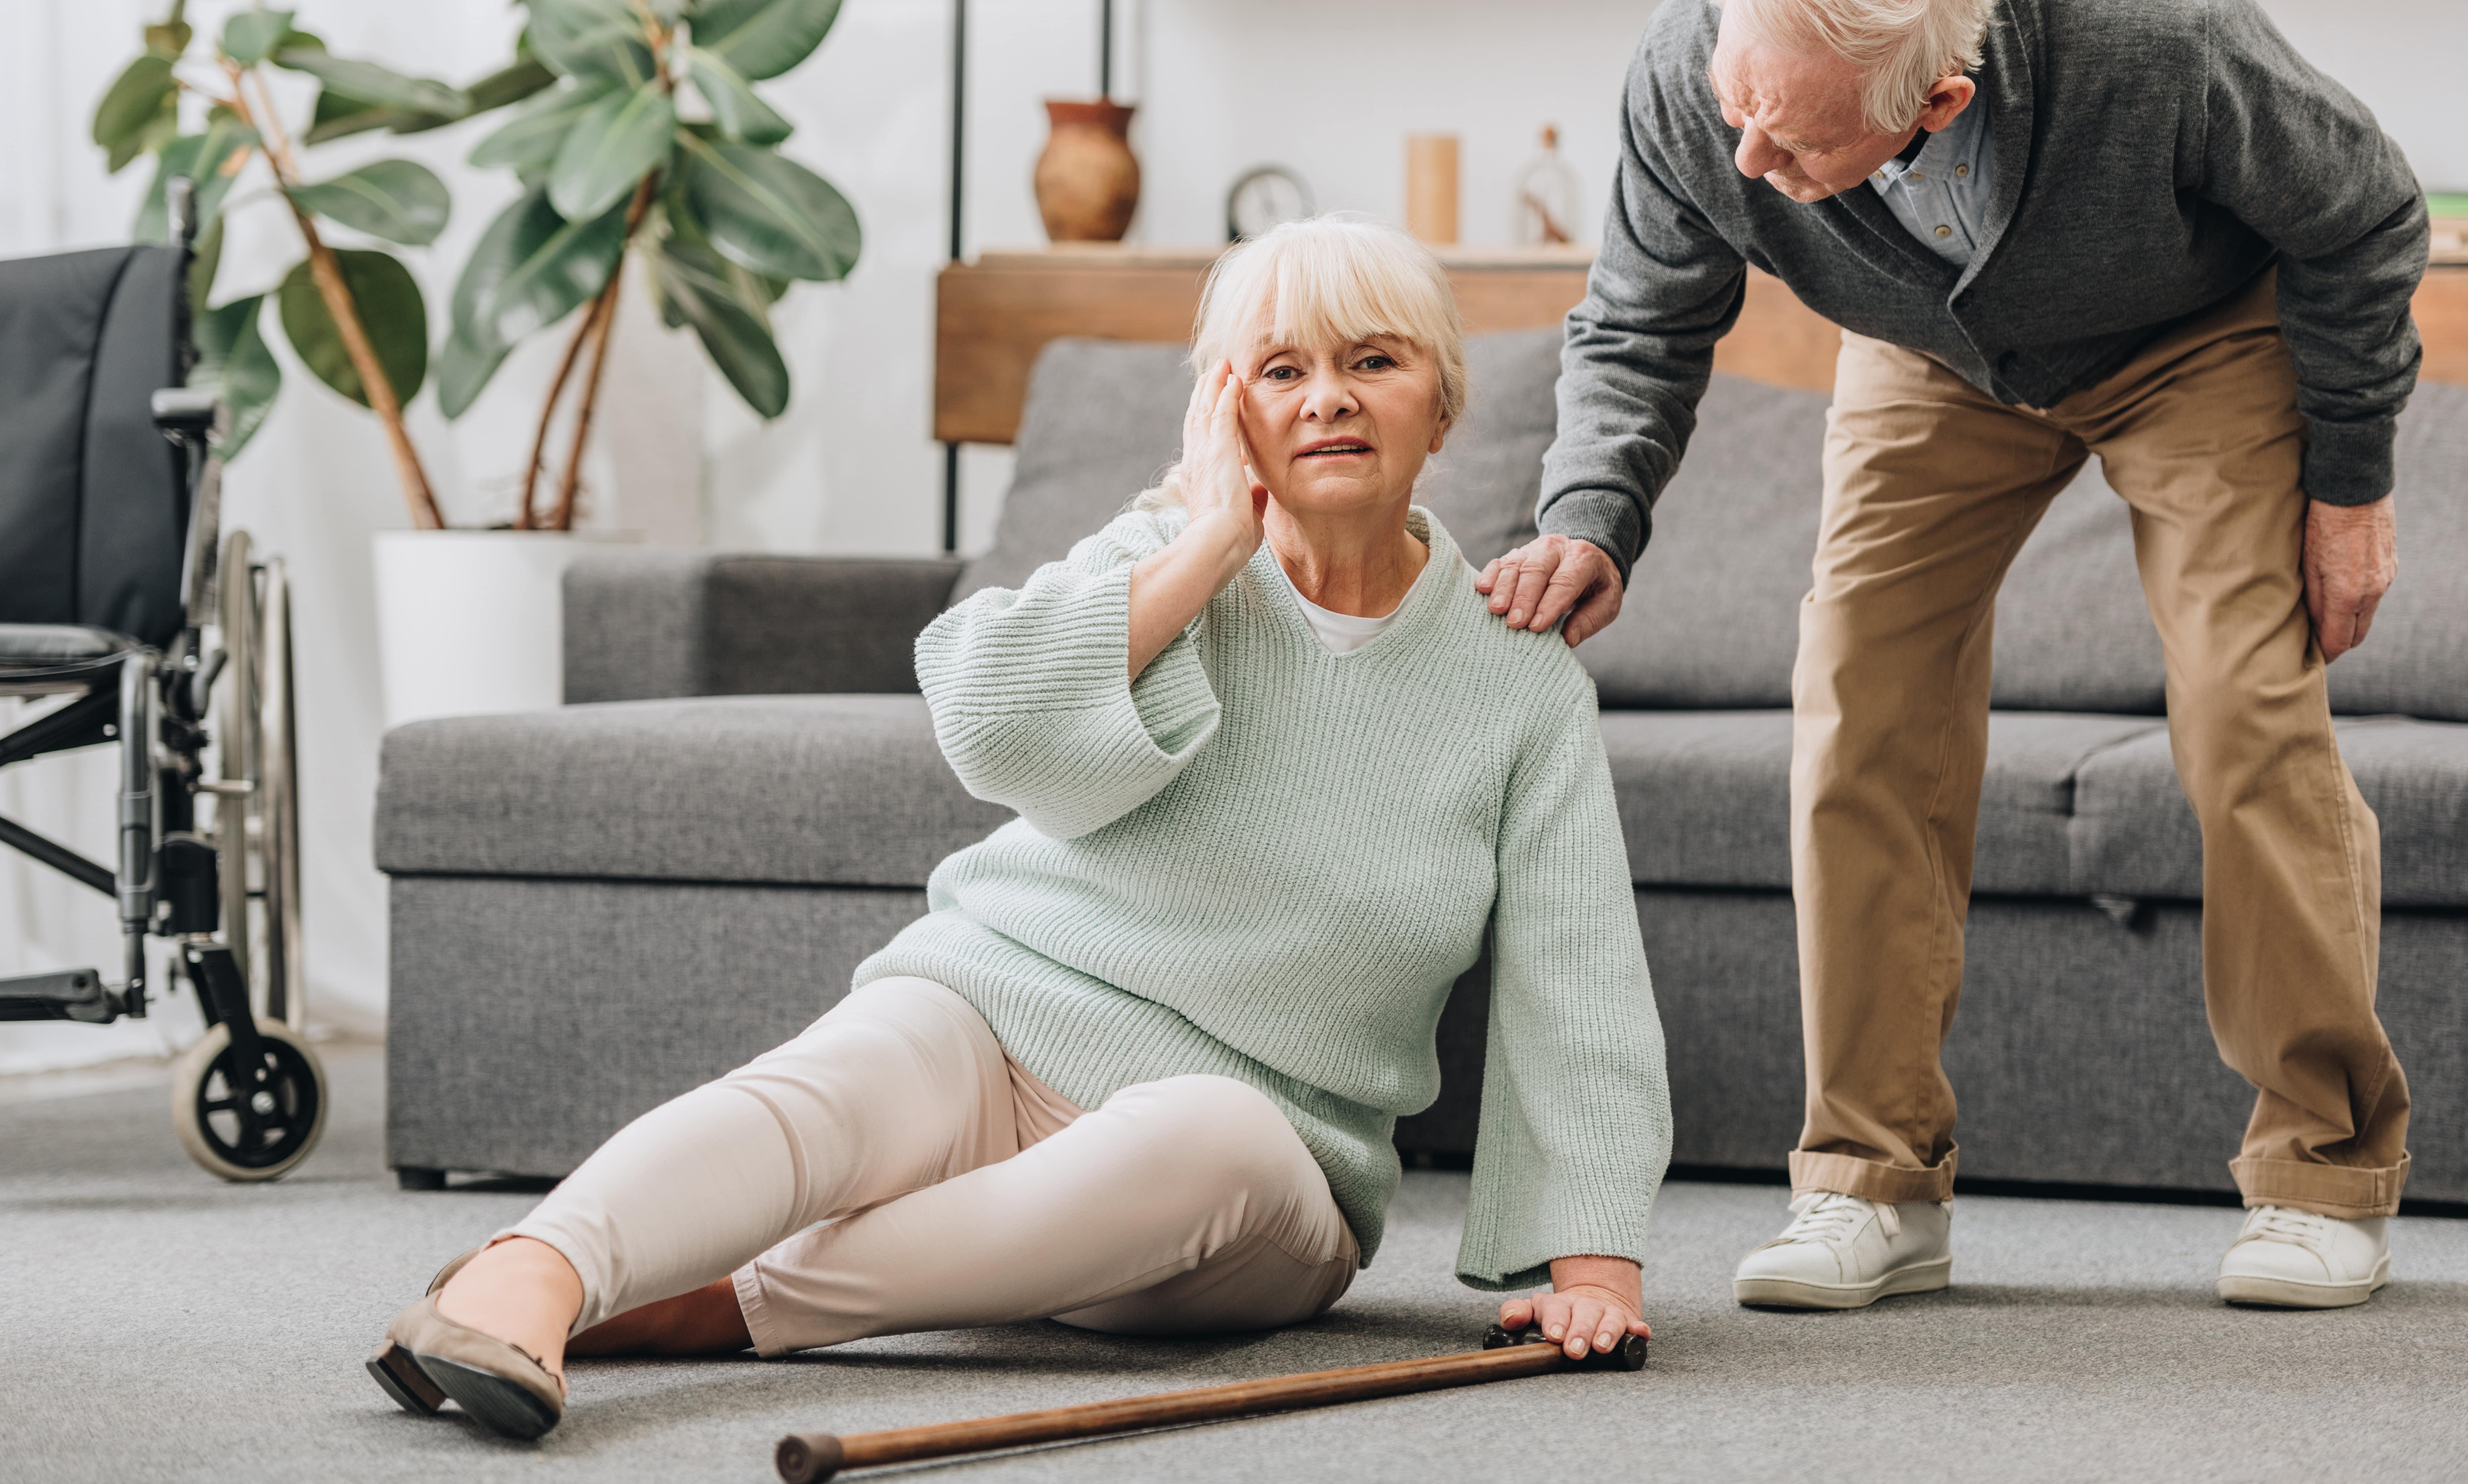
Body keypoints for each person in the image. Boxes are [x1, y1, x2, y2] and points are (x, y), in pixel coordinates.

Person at [366, 217, 1672, 1441]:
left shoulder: (1518, 677)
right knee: (838, 1084)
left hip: (1262, 1164)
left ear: (1439, 405)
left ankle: (736, 1303)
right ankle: (527, 1278)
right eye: (1280, 370)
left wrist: (1592, 1265)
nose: (1325, 396)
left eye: (1371, 362)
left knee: (1203, 1134)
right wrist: (1207, 545)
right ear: (1227, 414)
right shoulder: (1162, 554)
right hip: (1002, 1017)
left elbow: (1578, 985)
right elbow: (982, 722)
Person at [1477, 0, 2423, 1310]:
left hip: (2196, 335)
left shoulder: (2148, 35)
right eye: (1738, 102)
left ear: (1938, 97)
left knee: (2243, 706)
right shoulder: (1697, 67)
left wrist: (2349, 486)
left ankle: (2320, 1173)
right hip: (1930, 347)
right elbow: (1638, 316)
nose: (1743, 149)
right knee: (1858, 697)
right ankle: (1869, 1180)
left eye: (1792, 134)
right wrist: (1592, 515)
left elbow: (2362, 216)